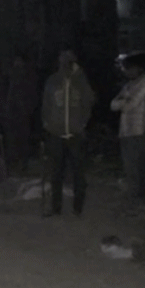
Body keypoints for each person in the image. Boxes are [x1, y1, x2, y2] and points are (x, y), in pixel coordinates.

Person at [41, 50, 95, 217]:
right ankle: (56, 207)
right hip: (56, 134)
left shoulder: (80, 81)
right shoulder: (52, 81)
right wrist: (47, 124)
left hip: (75, 135)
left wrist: (82, 124)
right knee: (56, 173)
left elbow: (89, 102)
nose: (65, 65)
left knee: (79, 173)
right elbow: (46, 104)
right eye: (63, 62)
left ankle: (77, 208)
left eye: (69, 62)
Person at [110, 53, 145, 211]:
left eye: (130, 68)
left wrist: (123, 101)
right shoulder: (129, 86)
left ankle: (136, 199)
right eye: (126, 69)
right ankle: (139, 197)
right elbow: (113, 105)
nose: (127, 71)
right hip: (126, 130)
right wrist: (125, 102)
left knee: (136, 167)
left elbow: (129, 105)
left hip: (139, 130)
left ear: (139, 68)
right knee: (133, 167)